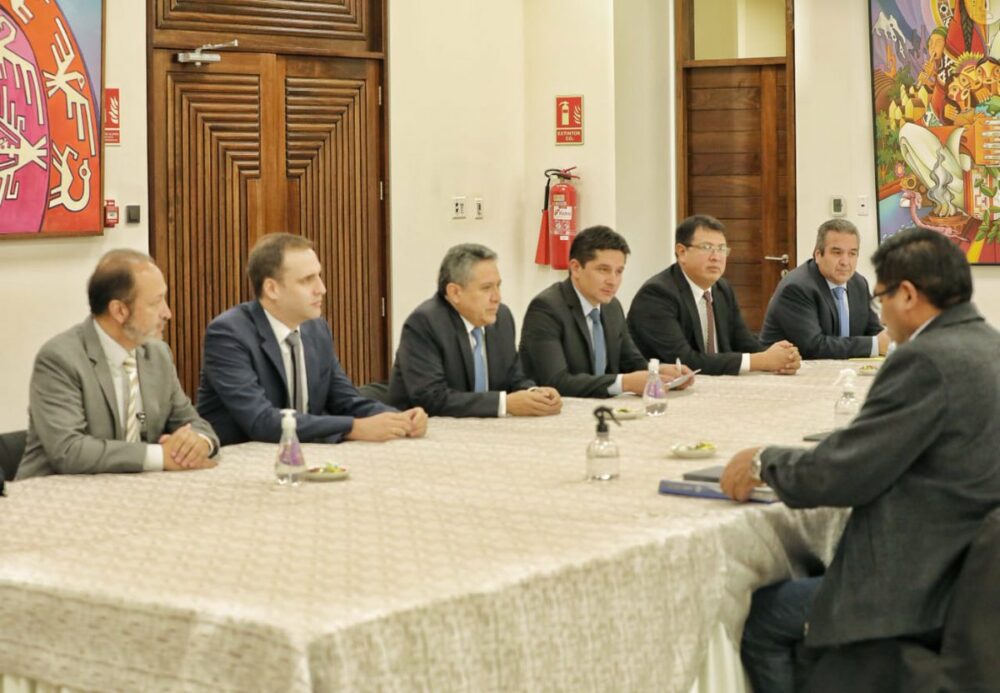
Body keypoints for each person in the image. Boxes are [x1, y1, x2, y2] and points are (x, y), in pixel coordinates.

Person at [720, 227, 1000, 693]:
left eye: (881, 298)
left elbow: (844, 473)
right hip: (974, 572)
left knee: (763, 618)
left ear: (907, 295)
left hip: (923, 580)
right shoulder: (989, 345)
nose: (880, 312)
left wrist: (763, 461)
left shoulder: (925, 360)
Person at [197, 233, 427, 445]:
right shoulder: (229, 334)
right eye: (307, 280)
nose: (322, 289)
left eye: (319, 276)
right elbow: (260, 421)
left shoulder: (316, 329)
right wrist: (354, 428)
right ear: (272, 288)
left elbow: (346, 400)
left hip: (303, 455)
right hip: (239, 460)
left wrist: (398, 419)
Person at [17, 250, 219, 480]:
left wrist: (199, 442)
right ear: (120, 311)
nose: (167, 313)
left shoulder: (157, 354)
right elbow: (69, 451)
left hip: (134, 490)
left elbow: (191, 422)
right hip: (52, 493)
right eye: (156, 302)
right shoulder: (60, 359)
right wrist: (159, 456)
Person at [388, 243, 561, 417]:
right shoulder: (425, 324)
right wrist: (504, 404)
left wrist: (534, 394)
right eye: (486, 288)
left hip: (485, 428)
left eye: (498, 286)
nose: (497, 297)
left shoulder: (502, 317)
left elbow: (514, 377)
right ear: (455, 292)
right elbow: (431, 398)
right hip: (423, 428)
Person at [519, 225, 694, 397]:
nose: (613, 281)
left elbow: (631, 362)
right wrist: (624, 383)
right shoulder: (546, 308)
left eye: (619, 272)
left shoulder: (612, 307)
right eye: (603, 270)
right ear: (576, 268)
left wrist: (658, 371)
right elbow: (556, 381)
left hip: (604, 407)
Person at [626, 214, 801, 376]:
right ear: (681, 252)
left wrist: (782, 357)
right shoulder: (657, 294)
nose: (716, 257)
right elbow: (685, 360)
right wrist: (762, 360)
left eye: (721, 249)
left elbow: (745, 344)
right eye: (707, 247)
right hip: (663, 390)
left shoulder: (722, 289)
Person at [759, 219, 888, 359]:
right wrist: (874, 345)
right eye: (837, 253)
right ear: (818, 255)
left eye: (852, 253)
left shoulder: (858, 283)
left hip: (841, 368)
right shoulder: (797, 288)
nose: (845, 262)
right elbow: (813, 347)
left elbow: (874, 332)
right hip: (789, 369)